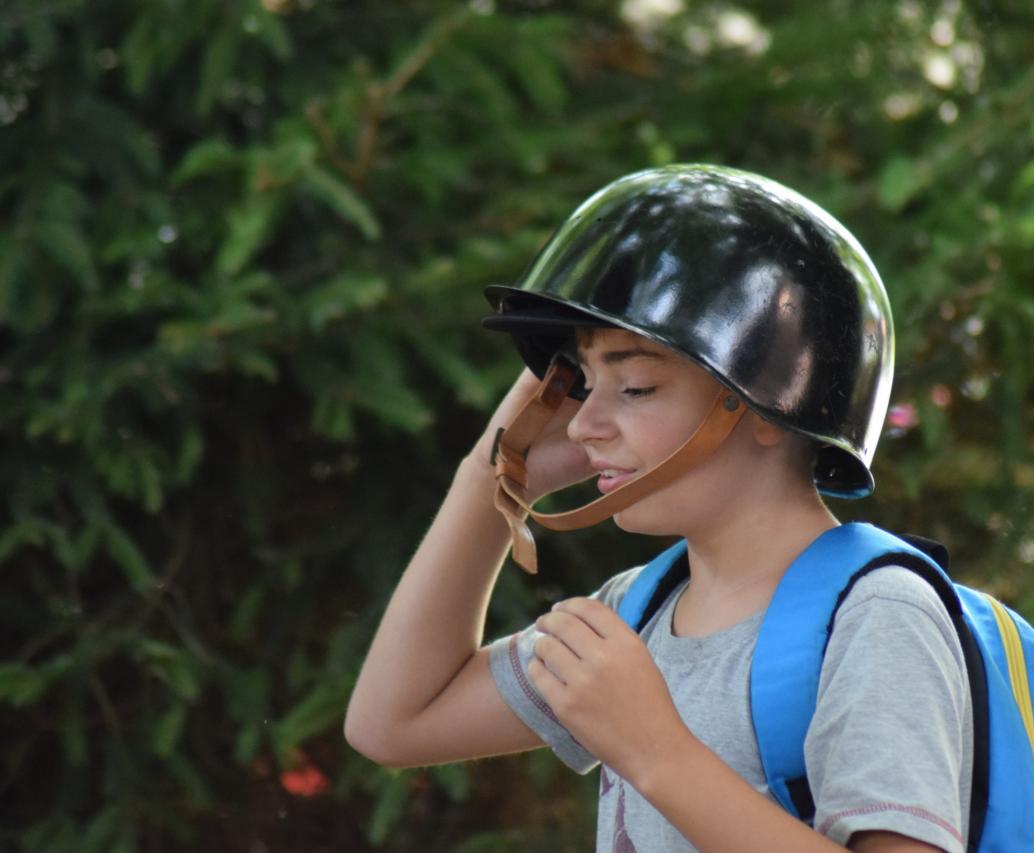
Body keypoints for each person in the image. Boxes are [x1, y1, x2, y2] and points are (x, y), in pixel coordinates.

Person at [344, 165, 972, 852]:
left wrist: (653, 749)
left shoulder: (876, 614)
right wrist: (494, 471)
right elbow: (394, 723)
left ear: (770, 405)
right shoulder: (640, 608)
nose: (582, 424)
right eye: (584, 385)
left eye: (637, 386)